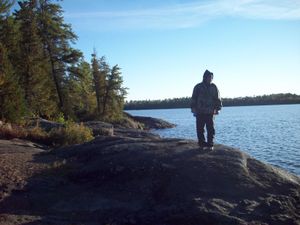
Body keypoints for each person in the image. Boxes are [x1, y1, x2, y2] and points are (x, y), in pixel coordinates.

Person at [191, 70, 222, 149]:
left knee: (211, 129)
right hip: (200, 111)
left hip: (210, 111)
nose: (210, 79)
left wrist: (218, 108)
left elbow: (217, 98)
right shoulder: (198, 87)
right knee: (200, 129)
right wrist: (193, 108)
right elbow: (194, 98)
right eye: (209, 77)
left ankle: (210, 144)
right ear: (204, 77)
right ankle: (201, 144)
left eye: (211, 77)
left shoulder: (214, 87)